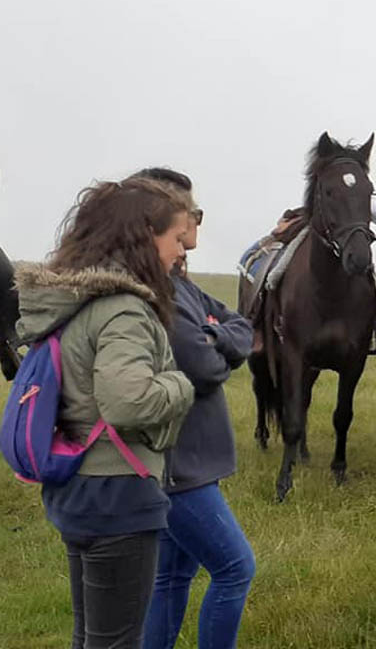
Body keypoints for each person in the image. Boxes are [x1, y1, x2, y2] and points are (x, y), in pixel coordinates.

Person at [14, 177, 196, 649]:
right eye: (177, 238)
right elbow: (127, 401)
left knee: (90, 637)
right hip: (118, 496)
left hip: (76, 489)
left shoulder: (78, 303)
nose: (182, 251)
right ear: (143, 236)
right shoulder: (124, 310)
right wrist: (181, 383)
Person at [127, 169, 256, 649]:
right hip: (178, 465)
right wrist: (219, 345)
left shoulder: (176, 281)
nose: (188, 243)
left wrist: (215, 334)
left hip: (188, 459)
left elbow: (240, 323)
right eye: (182, 229)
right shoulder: (153, 287)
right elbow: (201, 366)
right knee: (235, 567)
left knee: (172, 573)